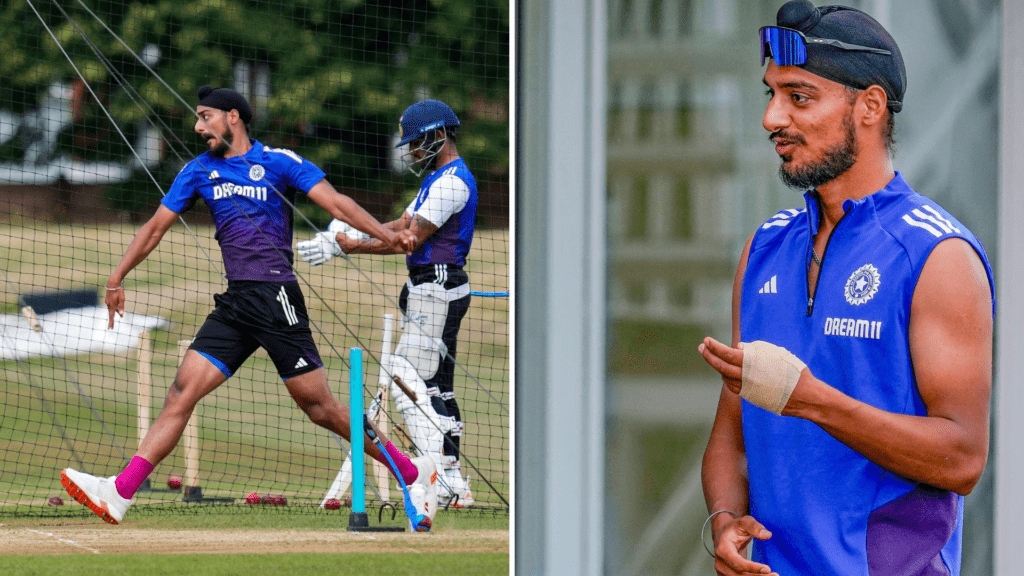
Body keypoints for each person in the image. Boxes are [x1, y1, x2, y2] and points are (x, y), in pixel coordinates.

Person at [697, 2, 994, 575]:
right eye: (771, 94)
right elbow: (731, 436)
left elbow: (963, 459)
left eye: (799, 97)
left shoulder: (937, 256)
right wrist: (726, 520)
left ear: (870, 106)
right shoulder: (764, 249)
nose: (773, 118)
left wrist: (812, 401)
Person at [59, 85, 440, 531]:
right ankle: (121, 491)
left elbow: (338, 203)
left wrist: (388, 235)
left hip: (277, 298)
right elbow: (155, 227)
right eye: (197, 118)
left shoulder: (279, 161)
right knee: (181, 392)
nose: (198, 126)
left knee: (320, 407)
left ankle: (412, 473)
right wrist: (116, 277)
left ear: (233, 117)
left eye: (206, 116)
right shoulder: (198, 171)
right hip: (237, 303)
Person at [297, 99, 477, 507]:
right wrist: (347, 234)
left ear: (438, 136)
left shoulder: (451, 182)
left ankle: (437, 473)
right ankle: (451, 479)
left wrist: (349, 247)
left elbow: (408, 240)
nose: (412, 151)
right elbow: (398, 225)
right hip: (431, 286)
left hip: (436, 286)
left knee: (406, 374)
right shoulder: (437, 179)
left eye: (416, 143)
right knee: (436, 385)